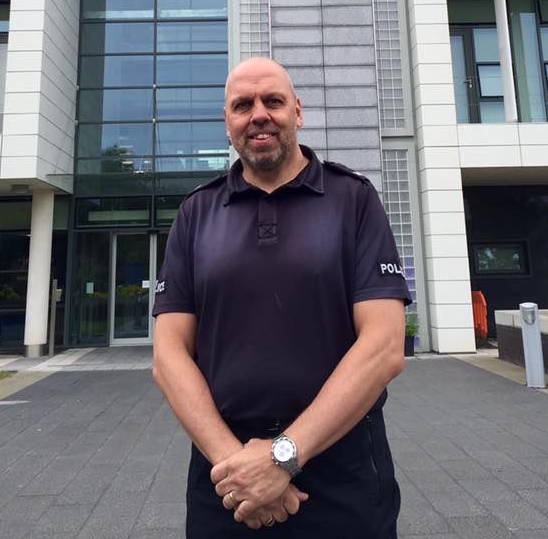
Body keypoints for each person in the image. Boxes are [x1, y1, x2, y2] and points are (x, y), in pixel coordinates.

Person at [152, 57, 411, 537]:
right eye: (242, 105)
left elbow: (384, 347)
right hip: (225, 477)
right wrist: (241, 468)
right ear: (227, 121)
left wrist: (280, 458)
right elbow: (168, 356)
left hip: (344, 472)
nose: (258, 115)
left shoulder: (354, 200)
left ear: (297, 111)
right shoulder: (195, 213)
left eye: (272, 101)